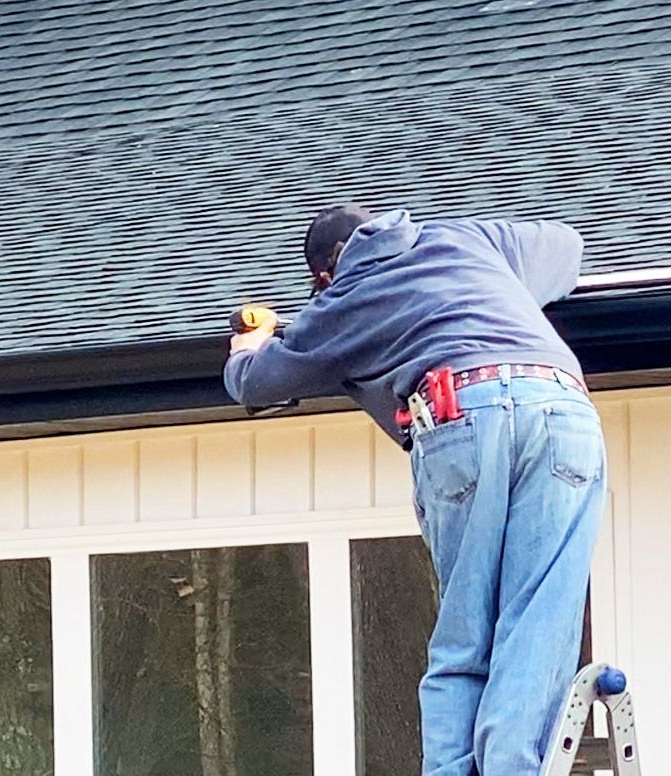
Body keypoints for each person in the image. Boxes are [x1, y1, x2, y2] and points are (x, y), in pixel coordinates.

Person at [224, 204, 606, 776]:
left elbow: (257, 382)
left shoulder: (343, 297)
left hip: (458, 415)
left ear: (324, 274)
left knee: (466, 634)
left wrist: (249, 347)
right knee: (537, 620)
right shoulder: (469, 239)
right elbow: (567, 246)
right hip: (561, 408)